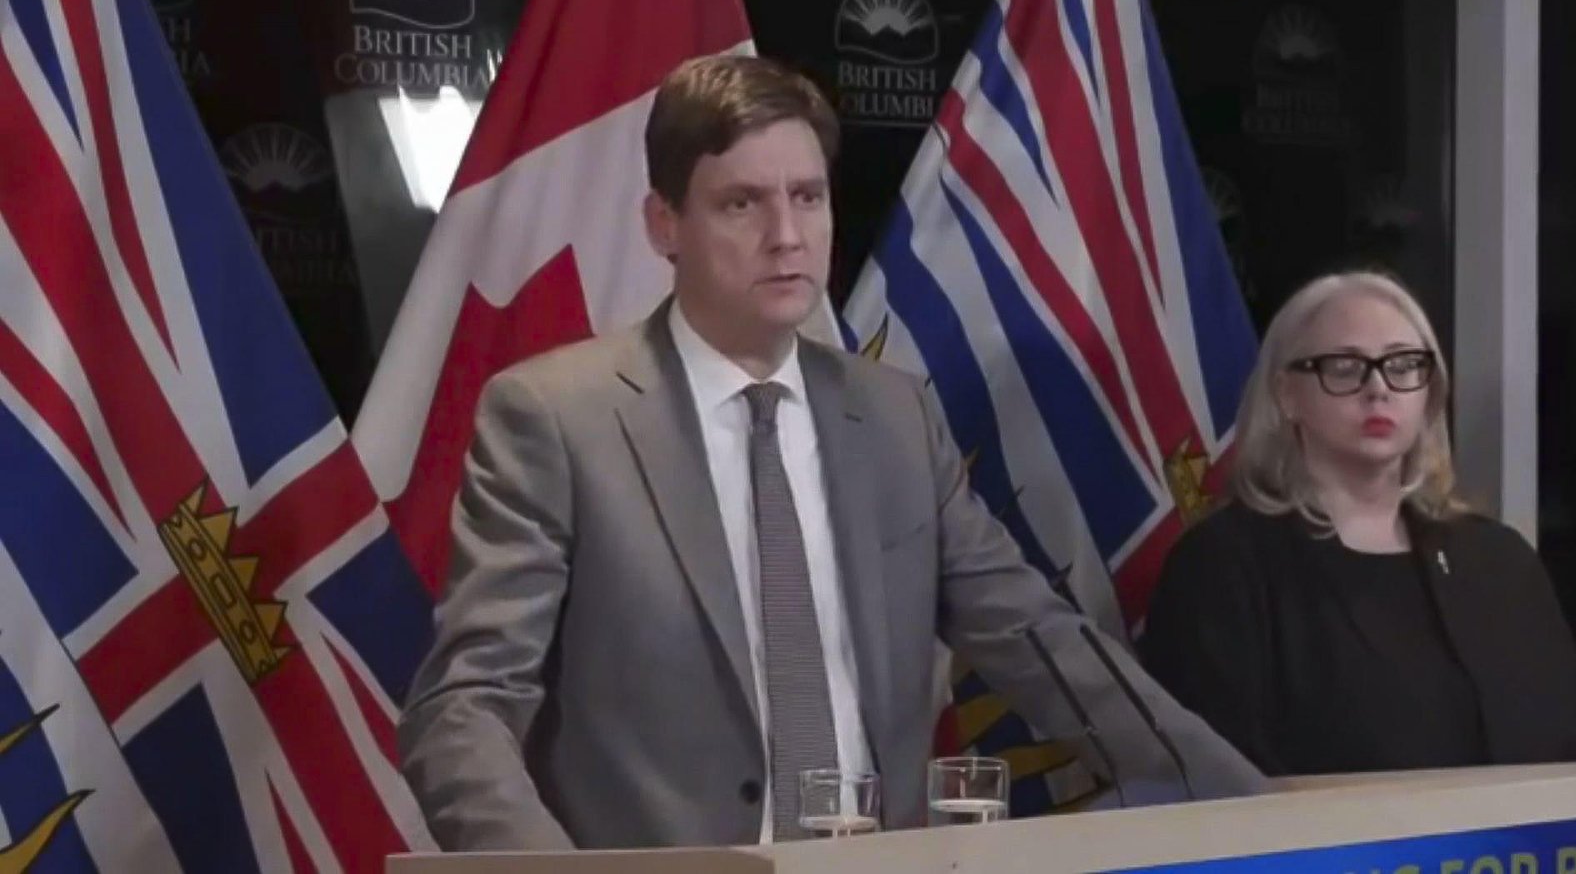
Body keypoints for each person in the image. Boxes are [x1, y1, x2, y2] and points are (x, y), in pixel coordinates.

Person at [396, 54, 1265, 853]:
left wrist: (1255, 809)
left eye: (808, 197)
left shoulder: (894, 416)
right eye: (743, 203)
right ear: (664, 224)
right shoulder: (555, 419)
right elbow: (464, 706)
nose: (787, 234)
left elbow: (1040, 643)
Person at [1141, 272, 1576, 777]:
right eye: (1345, 367)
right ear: (1286, 394)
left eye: (1403, 365)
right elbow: (1212, 781)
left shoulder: (1499, 560)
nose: (1378, 388)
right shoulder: (1222, 566)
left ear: (1429, 393)